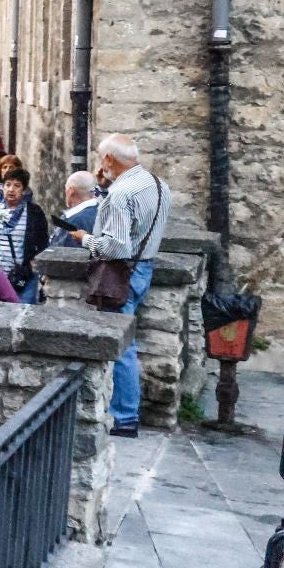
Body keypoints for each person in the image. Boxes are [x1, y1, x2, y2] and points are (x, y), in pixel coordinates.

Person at [78, 134, 170, 438]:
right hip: (144, 266)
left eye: (100, 158)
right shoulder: (155, 183)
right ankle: (126, 412)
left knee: (121, 347)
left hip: (123, 272)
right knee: (127, 343)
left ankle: (125, 416)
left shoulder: (121, 194)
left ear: (108, 160)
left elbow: (115, 246)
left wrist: (86, 239)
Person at [0, 167, 50, 302]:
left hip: (22, 275)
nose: (11, 189)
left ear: (24, 190)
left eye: (17, 186)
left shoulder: (34, 212)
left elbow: (42, 243)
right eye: (7, 185)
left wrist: (34, 267)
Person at [54, 170, 102, 248]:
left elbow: (63, 255)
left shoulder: (73, 221)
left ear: (70, 191)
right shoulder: (103, 213)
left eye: (66, 189)